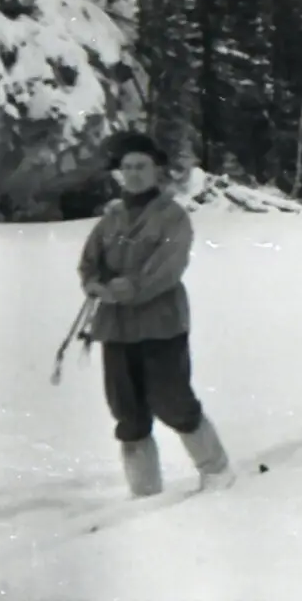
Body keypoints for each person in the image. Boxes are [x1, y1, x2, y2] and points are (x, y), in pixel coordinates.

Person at [77, 132, 235, 498]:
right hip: (115, 328)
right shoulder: (111, 218)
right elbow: (89, 263)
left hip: (160, 324)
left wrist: (122, 289)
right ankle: (144, 490)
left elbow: (168, 267)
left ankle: (216, 470)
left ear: (157, 170)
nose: (133, 174)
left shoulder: (172, 216)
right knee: (126, 411)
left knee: (172, 400)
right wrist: (93, 284)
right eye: (127, 167)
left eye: (141, 166)